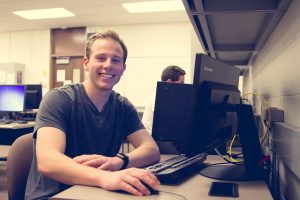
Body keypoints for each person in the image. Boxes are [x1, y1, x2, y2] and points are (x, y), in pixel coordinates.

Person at [25, 30, 160, 199]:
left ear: (123, 68)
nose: (108, 65)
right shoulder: (60, 99)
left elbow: (152, 150)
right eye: (101, 58)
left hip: (94, 192)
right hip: (53, 195)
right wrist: (106, 177)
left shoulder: (122, 106)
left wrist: (118, 161)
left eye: (116, 60)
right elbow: (48, 162)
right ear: (86, 63)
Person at [142, 65, 186, 134]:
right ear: (169, 82)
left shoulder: (168, 96)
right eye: (181, 83)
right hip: (153, 140)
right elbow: (167, 122)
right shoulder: (156, 96)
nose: (184, 87)